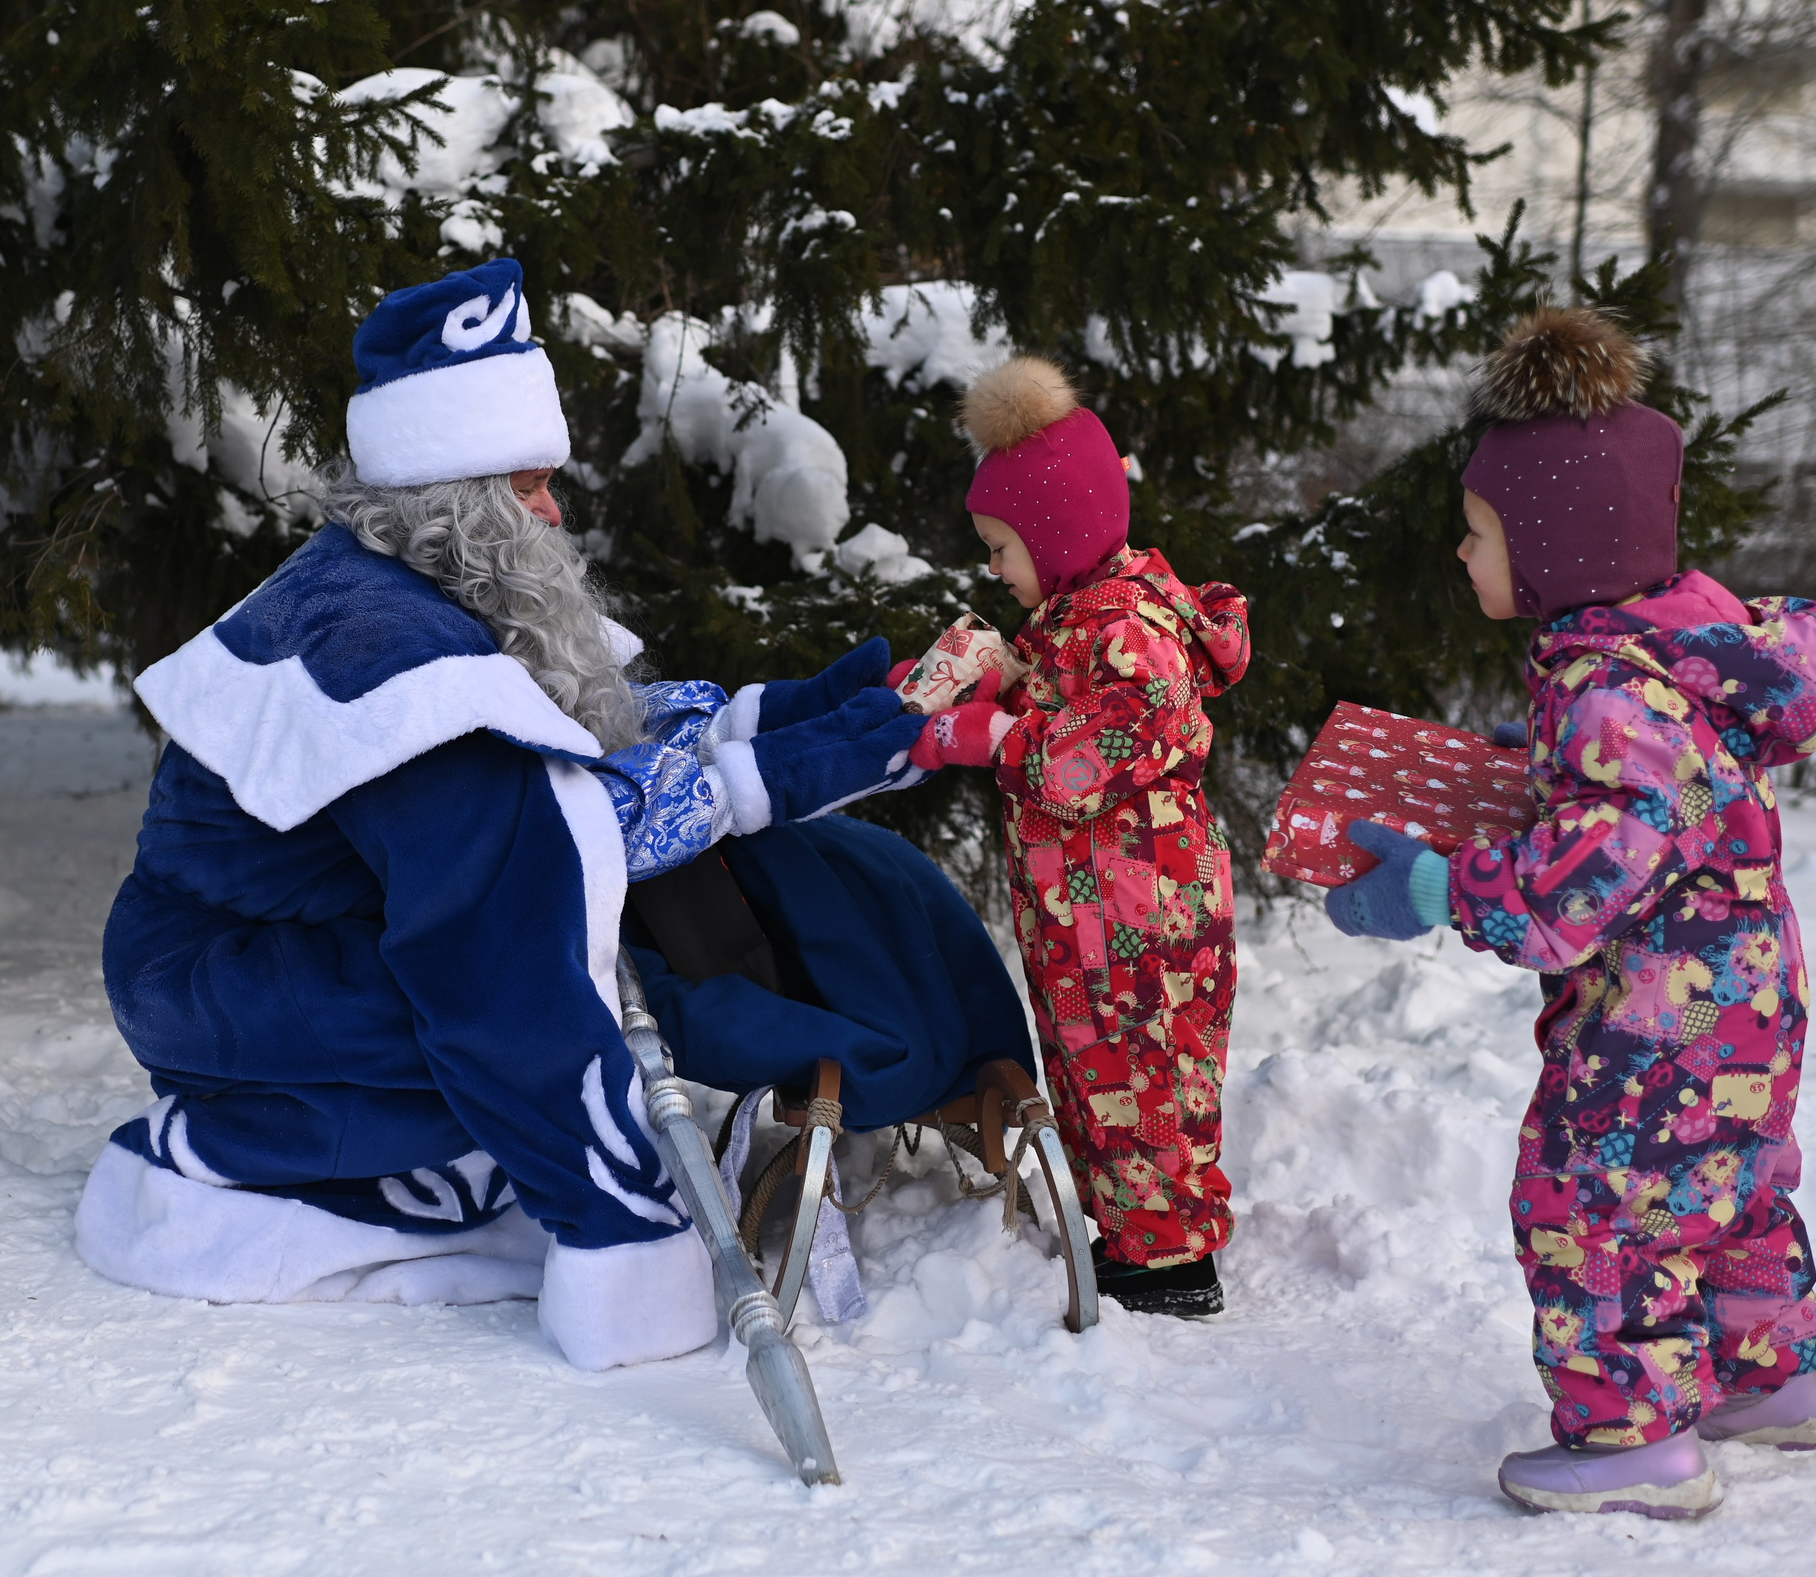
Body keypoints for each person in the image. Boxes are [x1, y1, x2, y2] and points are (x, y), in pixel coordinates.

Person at [73, 258, 928, 1370]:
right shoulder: (405, 668)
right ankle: (346, 1165)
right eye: (531, 485)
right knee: (524, 977)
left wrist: (780, 724)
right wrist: (624, 1231)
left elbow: (588, 746)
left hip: (222, 961)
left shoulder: (387, 587)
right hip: (244, 992)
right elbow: (504, 945)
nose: (555, 511)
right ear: (461, 497)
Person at [1325, 307, 1816, 1518]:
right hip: (1747, 995)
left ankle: (1634, 1442)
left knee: (1591, 1204)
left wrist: (1431, 886)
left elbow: (1575, 897)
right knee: (1732, 1184)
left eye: (1480, 534)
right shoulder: (1682, 649)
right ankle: (1766, 1377)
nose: (1463, 556)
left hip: (1656, 1016)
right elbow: (1658, 803)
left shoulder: (1605, 692)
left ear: (1557, 548)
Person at [905, 355, 1251, 1318]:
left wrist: (989, 733)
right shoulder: (1079, 618)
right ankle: (1135, 1232)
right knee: (1102, 1071)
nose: (991, 567)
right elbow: (1060, 701)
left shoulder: (1131, 634)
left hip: (1138, 922)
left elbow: (1081, 758)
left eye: (1000, 547)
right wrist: (981, 680)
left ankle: (1170, 1260)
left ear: (1056, 538)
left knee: (1146, 1077)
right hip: (1095, 917)